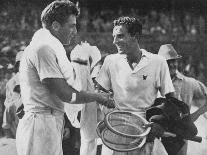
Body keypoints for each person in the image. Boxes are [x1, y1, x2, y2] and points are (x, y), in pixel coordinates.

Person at [16, 1, 114, 155]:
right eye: (71, 25)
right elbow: (66, 94)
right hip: (40, 121)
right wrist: (98, 97)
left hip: (49, 119)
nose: (75, 31)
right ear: (55, 25)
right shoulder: (43, 48)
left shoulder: (48, 46)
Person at [96, 16, 175, 155]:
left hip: (146, 132)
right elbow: (99, 91)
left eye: (120, 36)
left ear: (136, 36)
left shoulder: (158, 62)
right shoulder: (110, 61)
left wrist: (158, 124)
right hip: (117, 129)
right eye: (114, 37)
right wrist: (107, 113)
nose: (115, 41)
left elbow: (170, 98)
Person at [158, 44, 207, 155]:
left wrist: (197, 114)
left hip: (179, 138)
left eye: (174, 61)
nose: (172, 64)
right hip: (157, 136)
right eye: (167, 61)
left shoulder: (189, 83)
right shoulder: (154, 83)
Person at [2, 51, 23, 138]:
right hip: (17, 120)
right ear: (18, 66)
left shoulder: (37, 79)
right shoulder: (11, 83)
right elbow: (8, 104)